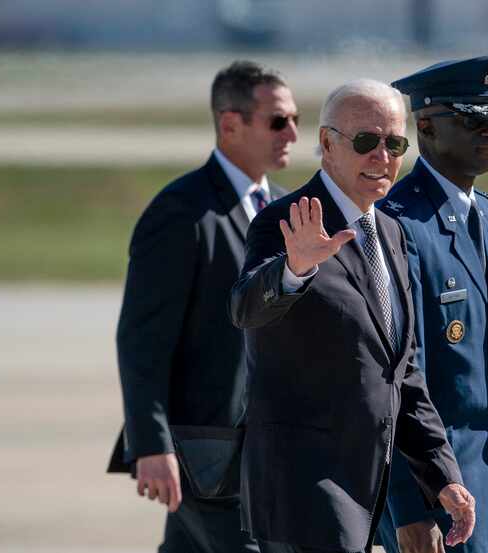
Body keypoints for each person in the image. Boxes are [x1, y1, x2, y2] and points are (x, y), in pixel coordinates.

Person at [229, 79, 476, 553]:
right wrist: (294, 268)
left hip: (367, 486)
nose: (382, 157)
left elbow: (402, 373)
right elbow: (245, 308)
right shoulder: (289, 219)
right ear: (326, 143)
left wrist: (442, 474)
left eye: (394, 143)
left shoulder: (392, 234)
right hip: (304, 486)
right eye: (366, 141)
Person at [106, 60, 298, 553]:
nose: (293, 132)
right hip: (203, 451)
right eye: (278, 120)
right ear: (230, 124)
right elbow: (141, 340)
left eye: (295, 118)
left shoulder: (280, 209)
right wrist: (151, 443)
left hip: (260, 451)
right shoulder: (182, 213)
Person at [375, 56, 488, 553]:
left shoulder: (485, 216)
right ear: (426, 127)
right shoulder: (398, 226)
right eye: (473, 120)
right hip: (437, 489)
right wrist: (411, 508)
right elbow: (395, 375)